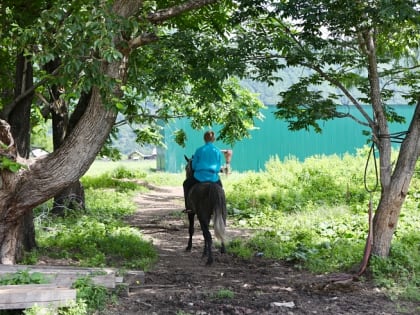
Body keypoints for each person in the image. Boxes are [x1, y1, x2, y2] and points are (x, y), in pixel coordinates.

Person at [183, 130, 223, 213]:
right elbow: (218, 166)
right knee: (221, 189)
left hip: (199, 177)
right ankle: (221, 207)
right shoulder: (217, 151)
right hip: (213, 178)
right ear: (214, 139)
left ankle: (188, 207)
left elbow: (193, 166)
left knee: (186, 184)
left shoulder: (199, 150)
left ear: (204, 139)